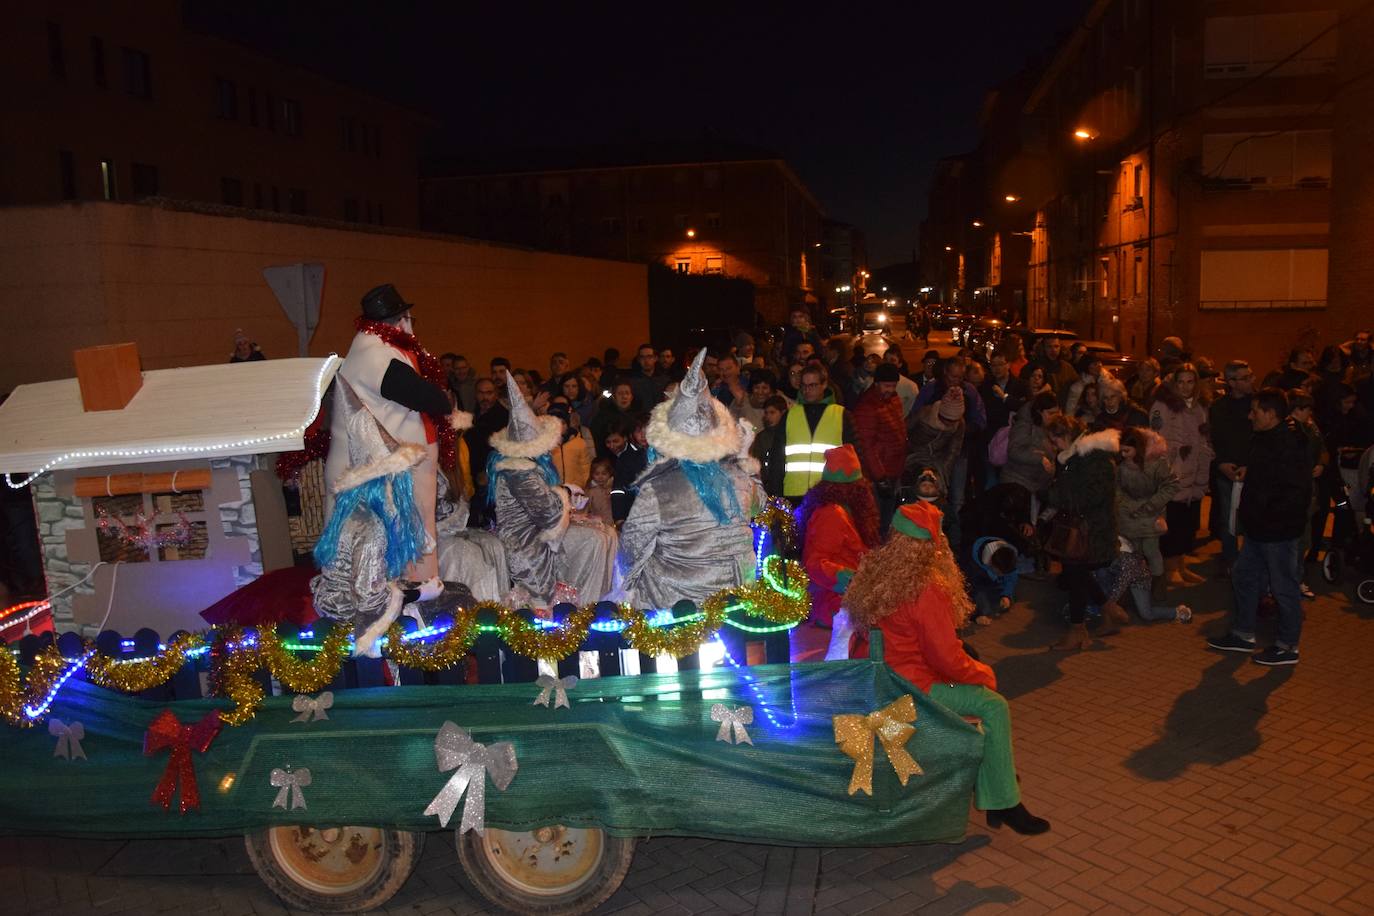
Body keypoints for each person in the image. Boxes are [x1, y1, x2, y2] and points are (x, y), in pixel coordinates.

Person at [845, 501, 1050, 836]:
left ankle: (995, 777)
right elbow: (946, 659)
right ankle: (1003, 800)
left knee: (973, 675)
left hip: (880, 677)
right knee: (992, 705)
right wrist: (984, 675)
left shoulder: (876, 573)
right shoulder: (926, 588)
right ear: (931, 546)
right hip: (909, 687)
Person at [324, 283, 469, 584]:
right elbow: (431, 399)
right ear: (401, 320)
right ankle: (412, 600)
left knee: (398, 544)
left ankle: (413, 594)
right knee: (392, 548)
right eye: (409, 319)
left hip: (384, 469)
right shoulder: (378, 357)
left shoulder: (371, 349)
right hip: (380, 475)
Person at [618, 349, 760, 607]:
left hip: (677, 603)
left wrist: (626, 583)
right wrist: (743, 456)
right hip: (739, 598)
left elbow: (632, 547)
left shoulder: (658, 488)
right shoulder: (739, 477)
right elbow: (760, 504)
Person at [312, 377, 443, 657]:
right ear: (382, 482)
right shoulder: (371, 526)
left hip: (342, 607)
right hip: (353, 622)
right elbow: (368, 597)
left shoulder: (357, 512)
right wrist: (419, 593)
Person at [488, 372, 616, 606]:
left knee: (599, 535)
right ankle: (581, 606)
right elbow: (548, 513)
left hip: (539, 535)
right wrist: (565, 493)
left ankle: (586, 603)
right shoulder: (519, 472)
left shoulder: (527, 468)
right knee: (592, 541)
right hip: (527, 544)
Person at [1207, 388, 1312, 666]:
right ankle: (1243, 634)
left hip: (1277, 530)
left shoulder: (1289, 443)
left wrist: (1266, 512)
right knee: (1243, 575)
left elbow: (1293, 490)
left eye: (1255, 410)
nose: (1250, 415)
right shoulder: (1266, 438)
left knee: (1283, 586)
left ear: (1270, 414)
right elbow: (1266, 477)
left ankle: (1288, 645)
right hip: (1259, 527)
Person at [1044, 416, 1128, 649]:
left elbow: (1089, 497)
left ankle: (1078, 630)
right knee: (1076, 573)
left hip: (1090, 530)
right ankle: (1108, 610)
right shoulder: (1074, 457)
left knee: (1075, 574)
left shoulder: (1094, 459)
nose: (1053, 446)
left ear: (1066, 437)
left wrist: (1055, 492)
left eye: (1055, 441)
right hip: (1083, 528)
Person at [798, 445, 881, 648]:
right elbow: (816, 563)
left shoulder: (847, 511)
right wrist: (855, 580)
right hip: (834, 602)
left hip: (850, 597)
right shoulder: (831, 514)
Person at [1149, 364, 1213, 587]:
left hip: (1194, 474)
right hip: (1174, 475)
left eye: (1190, 381)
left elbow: (1203, 439)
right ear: (1173, 383)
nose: (1185, 387)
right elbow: (1156, 440)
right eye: (1181, 382)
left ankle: (1181, 565)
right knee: (1172, 523)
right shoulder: (1164, 405)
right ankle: (1169, 568)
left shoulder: (1199, 407)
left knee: (1187, 523)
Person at [768, 364, 859, 500]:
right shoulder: (790, 416)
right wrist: (776, 495)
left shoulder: (842, 415)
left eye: (813, 385)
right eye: (804, 386)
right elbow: (777, 459)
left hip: (829, 494)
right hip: (794, 494)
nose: (807, 390)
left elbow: (854, 458)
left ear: (824, 385)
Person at [1116, 427, 1182, 612]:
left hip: (1150, 516)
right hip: (1128, 517)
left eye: (1127, 450)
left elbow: (1171, 485)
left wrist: (1152, 505)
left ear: (1137, 448)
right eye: (1121, 450)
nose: (1123, 454)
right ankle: (1135, 590)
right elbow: (1118, 488)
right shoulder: (1121, 467)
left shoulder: (1156, 464)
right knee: (1132, 554)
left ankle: (1157, 590)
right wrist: (1124, 504)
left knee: (1152, 552)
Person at [1208, 360, 1255, 577]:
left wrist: (1249, 464)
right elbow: (1214, 439)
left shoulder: (1258, 405)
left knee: (1253, 517)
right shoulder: (1218, 407)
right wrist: (1221, 464)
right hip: (1227, 471)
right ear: (1231, 382)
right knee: (1228, 517)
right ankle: (1231, 560)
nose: (1250, 381)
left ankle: (1250, 560)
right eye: (1244, 378)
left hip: (1253, 471)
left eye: (1250, 376)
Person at [851, 363, 907, 525]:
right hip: (878, 475)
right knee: (878, 519)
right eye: (886, 385)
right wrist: (880, 477)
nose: (890, 389)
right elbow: (866, 446)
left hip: (893, 469)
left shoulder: (893, 400)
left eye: (893, 386)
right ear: (876, 384)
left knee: (889, 516)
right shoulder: (867, 407)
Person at [968, 536, 1020, 626]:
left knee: (1005, 601)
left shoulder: (1009, 557)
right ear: (991, 563)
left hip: (988, 583)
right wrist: (977, 615)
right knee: (982, 600)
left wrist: (1006, 595)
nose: (1002, 575)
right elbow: (967, 588)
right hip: (974, 584)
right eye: (999, 572)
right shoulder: (971, 564)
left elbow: (1011, 577)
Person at [547, 401, 591, 489]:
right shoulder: (546, 445)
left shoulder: (579, 443)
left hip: (575, 490)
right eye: (555, 423)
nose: (559, 427)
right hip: (553, 490)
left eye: (562, 423)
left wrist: (581, 485)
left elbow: (585, 467)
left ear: (567, 424)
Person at [752, 395, 789, 496]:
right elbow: (757, 462)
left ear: (783, 413)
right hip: (768, 487)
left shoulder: (790, 434)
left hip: (787, 485)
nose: (768, 417)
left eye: (772, 413)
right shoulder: (762, 437)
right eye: (766, 413)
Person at [626, 343, 665, 409]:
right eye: (642, 357)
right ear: (638, 360)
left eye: (649, 357)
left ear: (655, 358)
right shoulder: (631, 382)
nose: (646, 360)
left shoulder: (664, 380)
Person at [585, 456, 616, 525]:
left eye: (604, 474)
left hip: (613, 525)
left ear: (609, 473)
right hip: (598, 526)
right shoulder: (590, 491)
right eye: (597, 474)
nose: (600, 477)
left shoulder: (614, 489)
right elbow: (585, 510)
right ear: (592, 475)